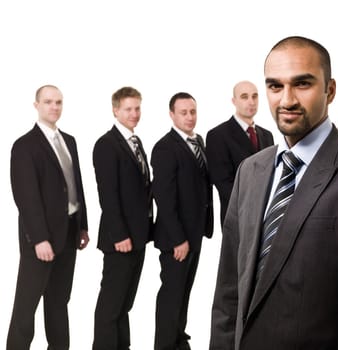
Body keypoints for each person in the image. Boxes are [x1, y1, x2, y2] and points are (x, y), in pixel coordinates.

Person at [209, 36, 338, 350]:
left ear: (330, 90)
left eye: (302, 84)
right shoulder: (250, 171)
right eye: (275, 86)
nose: (286, 99)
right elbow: (228, 296)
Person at [7, 85, 89, 349]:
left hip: (69, 232)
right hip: (41, 239)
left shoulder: (70, 141)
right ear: (36, 106)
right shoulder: (24, 146)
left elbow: (76, 186)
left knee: (58, 302)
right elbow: (26, 198)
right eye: (48, 102)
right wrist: (39, 239)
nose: (54, 107)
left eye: (59, 102)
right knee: (26, 306)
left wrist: (83, 226)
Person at [92, 86, 154, 350]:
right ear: (115, 110)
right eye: (128, 109)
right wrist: (119, 235)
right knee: (111, 305)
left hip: (138, 236)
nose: (134, 113)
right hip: (120, 239)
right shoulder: (106, 145)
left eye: (137, 108)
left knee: (125, 304)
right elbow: (108, 195)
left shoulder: (136, 142)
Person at [151, 92, 214, 350]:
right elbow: (163, 199)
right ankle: (165, 344)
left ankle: (179, 338)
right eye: (184, 113)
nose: (190, 117)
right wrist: (178, 239)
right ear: (172, 115)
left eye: (193, 112)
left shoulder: (198, 142)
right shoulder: (165, 147)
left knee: (184, 292)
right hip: (176, 238)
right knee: (171, 295)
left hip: (195, 232)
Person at [206, 80, 274, 224]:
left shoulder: (267, 135)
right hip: (237, 217)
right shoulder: (218, 135)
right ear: (234, 101)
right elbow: (222, 182)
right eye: (244, 97)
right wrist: (252, 207)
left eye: (255, 96)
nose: (251, 102)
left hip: (266, 217)